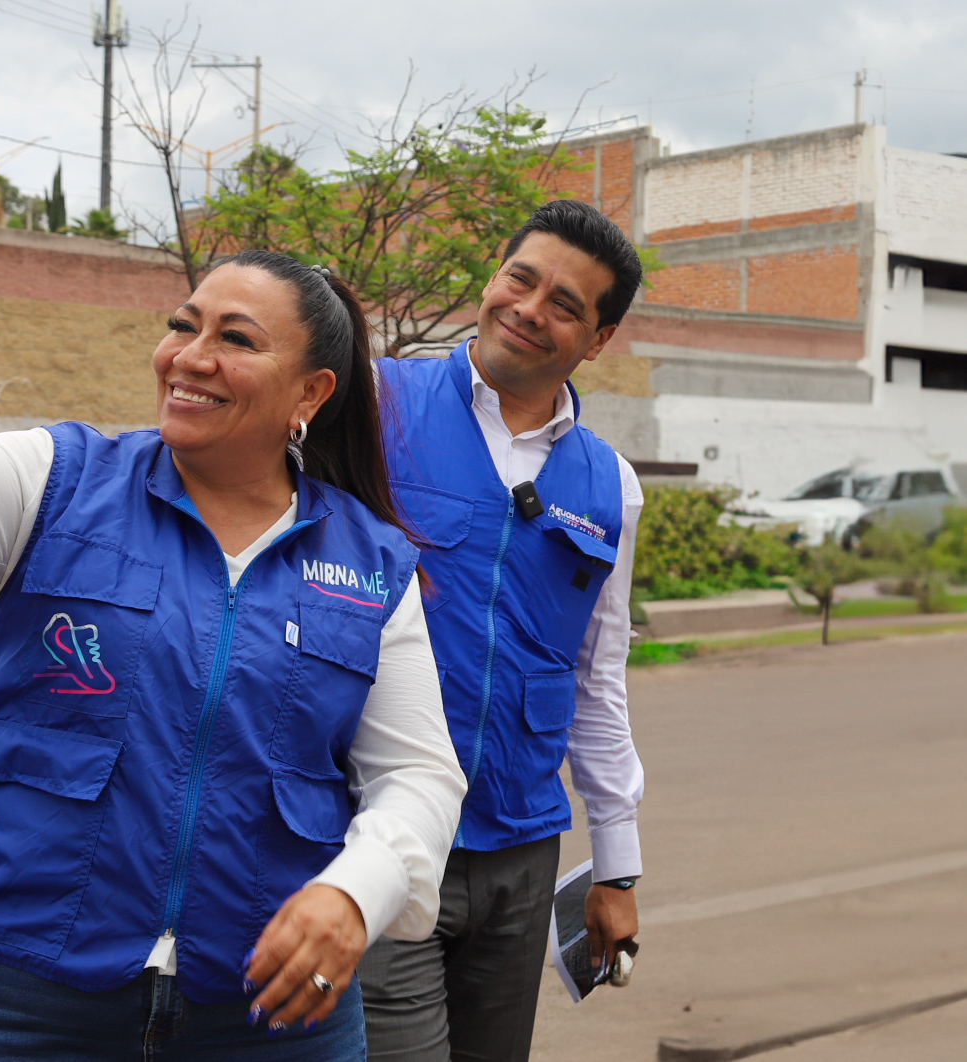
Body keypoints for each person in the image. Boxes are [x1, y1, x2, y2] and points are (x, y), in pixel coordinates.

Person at [0, 110, 466, 1062]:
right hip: (12, 994)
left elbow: (416, 775)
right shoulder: (56, 480)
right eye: (182, 326)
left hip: (268, 1013)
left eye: (234, 338)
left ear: (310, 394)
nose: (189, 356)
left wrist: (354, 891)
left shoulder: (369, 562)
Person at [360, 199, 647, 1062]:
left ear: (596, 340)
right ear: (492, 277)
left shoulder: (611, 487)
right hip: (378, 832)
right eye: (519, 279)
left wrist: (616, 866)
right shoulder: (370, 405)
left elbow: (597, 679)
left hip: (519, 855)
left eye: (565, 303)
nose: (528, 308)